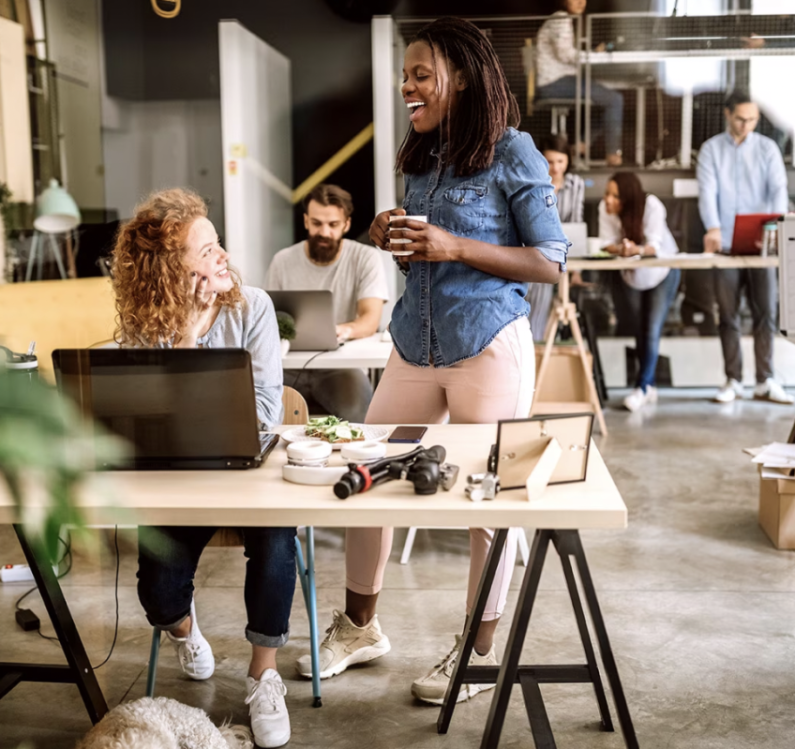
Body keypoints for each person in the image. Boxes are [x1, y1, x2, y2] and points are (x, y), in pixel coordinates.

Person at [298, 17, 568, 707]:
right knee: (365, 476)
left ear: (463, 76)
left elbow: (548, 260)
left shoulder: (515, 152)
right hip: (414, 346)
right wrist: (384, 232)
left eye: (421, 74)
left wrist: (454, 247)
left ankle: (477, 655)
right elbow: (422, 246)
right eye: (406, 74)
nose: (407, 86)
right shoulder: (421, 156)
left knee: (488, 501)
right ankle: (361, 627)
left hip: (486, 346)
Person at [111, 188, 297, 747]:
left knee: (276, 542)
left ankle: (263, 674)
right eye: (207, 249)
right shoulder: (146, 322)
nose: (223, 257)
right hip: (178, 475)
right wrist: (188, 337)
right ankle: (185, 630)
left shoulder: (254, 308)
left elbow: (265, 414)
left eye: (219, 244)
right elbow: (146, 424)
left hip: (248, 471)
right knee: (159, 593)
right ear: (171, 268)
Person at [697, 89, 793, 406]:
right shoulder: (711, 150)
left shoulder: (767, 149)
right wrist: (712, 226)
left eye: (752, 119)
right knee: (728, 314)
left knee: (766, 311)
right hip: (725, 244)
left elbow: (779, 189)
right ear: (728, 114)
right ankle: (733, 380)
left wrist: (778, 226)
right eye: (740, 118)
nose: (746, 125)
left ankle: (765, 380)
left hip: (761, 245)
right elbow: (707, 191)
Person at [266, 184, 389, 422]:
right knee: (262, 415)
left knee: (361, 418)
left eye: (333, 225)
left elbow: (370, 320)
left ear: (346, 224)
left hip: (341, 366)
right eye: (316, 223)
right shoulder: (282, 260)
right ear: (305, 221)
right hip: (288, 366)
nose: (324, 232)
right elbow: (269, 317)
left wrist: (342, 330)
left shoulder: (365, 258)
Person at [598, 172, 679, 412]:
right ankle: (649, 384)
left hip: (662, 271)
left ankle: (642, 387)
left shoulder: (651, 205)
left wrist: (635, 248)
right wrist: (622, 248)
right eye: (607, 194)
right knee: (638, 328)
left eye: (615, 196)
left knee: (651, 329)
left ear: (629, 198)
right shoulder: (606, 208)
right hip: (633, 274)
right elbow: (605, 243)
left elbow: (653, 247)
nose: (608, 200)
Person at [535, 0, 624, 166]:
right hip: (554, 84)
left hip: (561, 81)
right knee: (614, 100)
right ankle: (613, 154)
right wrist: (592, 55)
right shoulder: (560, 19)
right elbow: (565, 54)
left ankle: (581, 144)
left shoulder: (565, 19)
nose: (580, 2)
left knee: (605, 101)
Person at [525, 133, 583, 341]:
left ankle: (538, 355)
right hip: (533, 251)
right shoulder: (533, 181)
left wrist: (576, 268)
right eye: (550, 161)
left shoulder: (576, 184)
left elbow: (576, 224)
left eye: (561, 161)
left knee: (543, 318)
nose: (556, 167)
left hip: (559, 255)